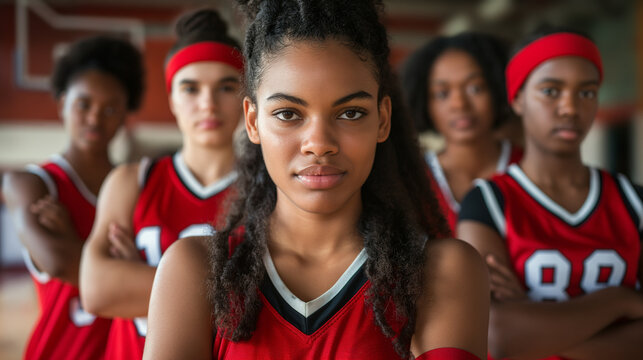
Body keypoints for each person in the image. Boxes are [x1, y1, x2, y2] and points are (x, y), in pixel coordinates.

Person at [143, 1, 489, 359]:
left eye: (351, 113)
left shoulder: (442, 271)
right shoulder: (192, 269)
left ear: (382, 120)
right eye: (289, 114)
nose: (319, 143)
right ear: (253, 121)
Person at [458, 26, 643, 360]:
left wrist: (535, 331)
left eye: (586, 93)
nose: (570, 108)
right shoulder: (487, 203)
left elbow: (517, 339)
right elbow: (498, 335)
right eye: (551, 91)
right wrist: (621, 301)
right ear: (517, 99)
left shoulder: (635, 202)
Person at [79, 8, 243, 360]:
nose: (208, 103)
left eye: (226, 86)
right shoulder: (131, 181)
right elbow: (96, 291)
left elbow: (269, 303)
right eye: (191, 88)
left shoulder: (270, 189)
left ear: (247, 101)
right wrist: (230, 291)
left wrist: (135, 278)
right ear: (171, 99)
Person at [2, 36, 144, 360]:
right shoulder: (30, 183)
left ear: (124, 117)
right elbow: (57, 262)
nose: (95, 118)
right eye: (84, 104)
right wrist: (128, 271)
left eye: (110, 109)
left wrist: (72, 239)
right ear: (62, 104)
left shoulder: (137, 185)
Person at [401, 32, 522, 234]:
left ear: (498, 89)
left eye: (475, 88)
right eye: (442, 93)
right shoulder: (409, 182)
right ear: (424, 101)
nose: (459, 104)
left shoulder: (531, 170)